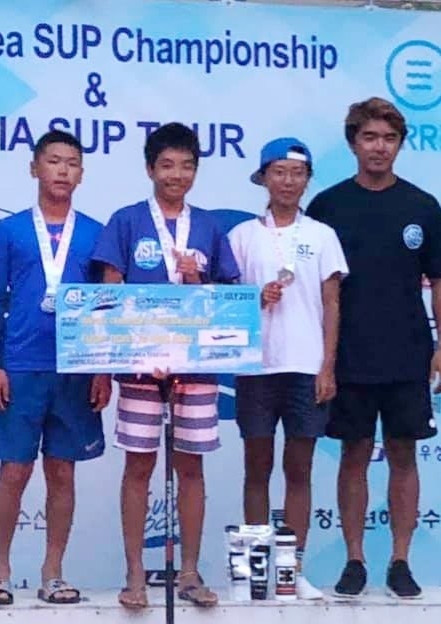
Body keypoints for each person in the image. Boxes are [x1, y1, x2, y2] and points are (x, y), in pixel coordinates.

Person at [92, 122, 240, 609]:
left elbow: (226, 301)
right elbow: (110, 295)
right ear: (149, 168)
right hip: (140, 370)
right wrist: (122, 357)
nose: (177, 174)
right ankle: (135, 574)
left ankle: (190, 572)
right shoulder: (127, 221)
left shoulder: (209, 227)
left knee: (191, 468)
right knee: (138, 467)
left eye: (187, 166)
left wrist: (197, 281)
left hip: (196, 371)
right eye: (167, 165)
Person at [307, 97, 441, 599]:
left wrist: (440, 347)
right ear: (353, 143)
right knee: (355, 452)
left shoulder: (423, 207)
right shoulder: (328, 207)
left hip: (408, 350)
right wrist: (323, 356)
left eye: (388, 138)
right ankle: (354, 560)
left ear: (400, 144)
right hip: (349, 353)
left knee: (404, 453)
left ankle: (401, 561)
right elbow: (318, 290)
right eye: (369, 137)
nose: (379, 147)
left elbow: (438, 281)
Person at [0, 130, 111, 606]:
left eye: (71, 163)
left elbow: (105, 307)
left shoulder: (96, 233)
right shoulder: (10, 231)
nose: (62, 170)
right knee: (14, 472)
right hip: (20, 366)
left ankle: (53, 572)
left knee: (62, 473)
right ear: (34, 167)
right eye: (53, 161)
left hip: (75, 369)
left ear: (81, 174)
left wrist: (102, 369)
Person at [229, 137, 348, 600]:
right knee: (256, 469)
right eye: (279, 172)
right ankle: (255, 574)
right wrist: (254, 298)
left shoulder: (322, 235)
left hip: (306, 366)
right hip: (256, 366)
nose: (288, 181)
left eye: (297, 173)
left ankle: (290, 570)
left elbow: (332, 304)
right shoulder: (242, 236)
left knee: (298, 469)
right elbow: (226, 300)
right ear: (264, 178)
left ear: (307, 180)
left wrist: (327, 366)